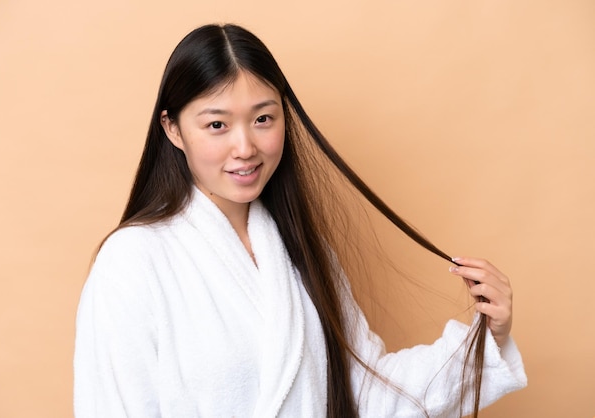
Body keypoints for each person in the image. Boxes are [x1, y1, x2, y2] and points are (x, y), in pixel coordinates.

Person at [73, 23, 527, 417]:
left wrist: (486, 338)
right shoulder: (132, 262)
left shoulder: (301, 252)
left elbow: (367, 396)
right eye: (217, 125)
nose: (245, 147)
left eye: (263, 118)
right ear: (173, 129)